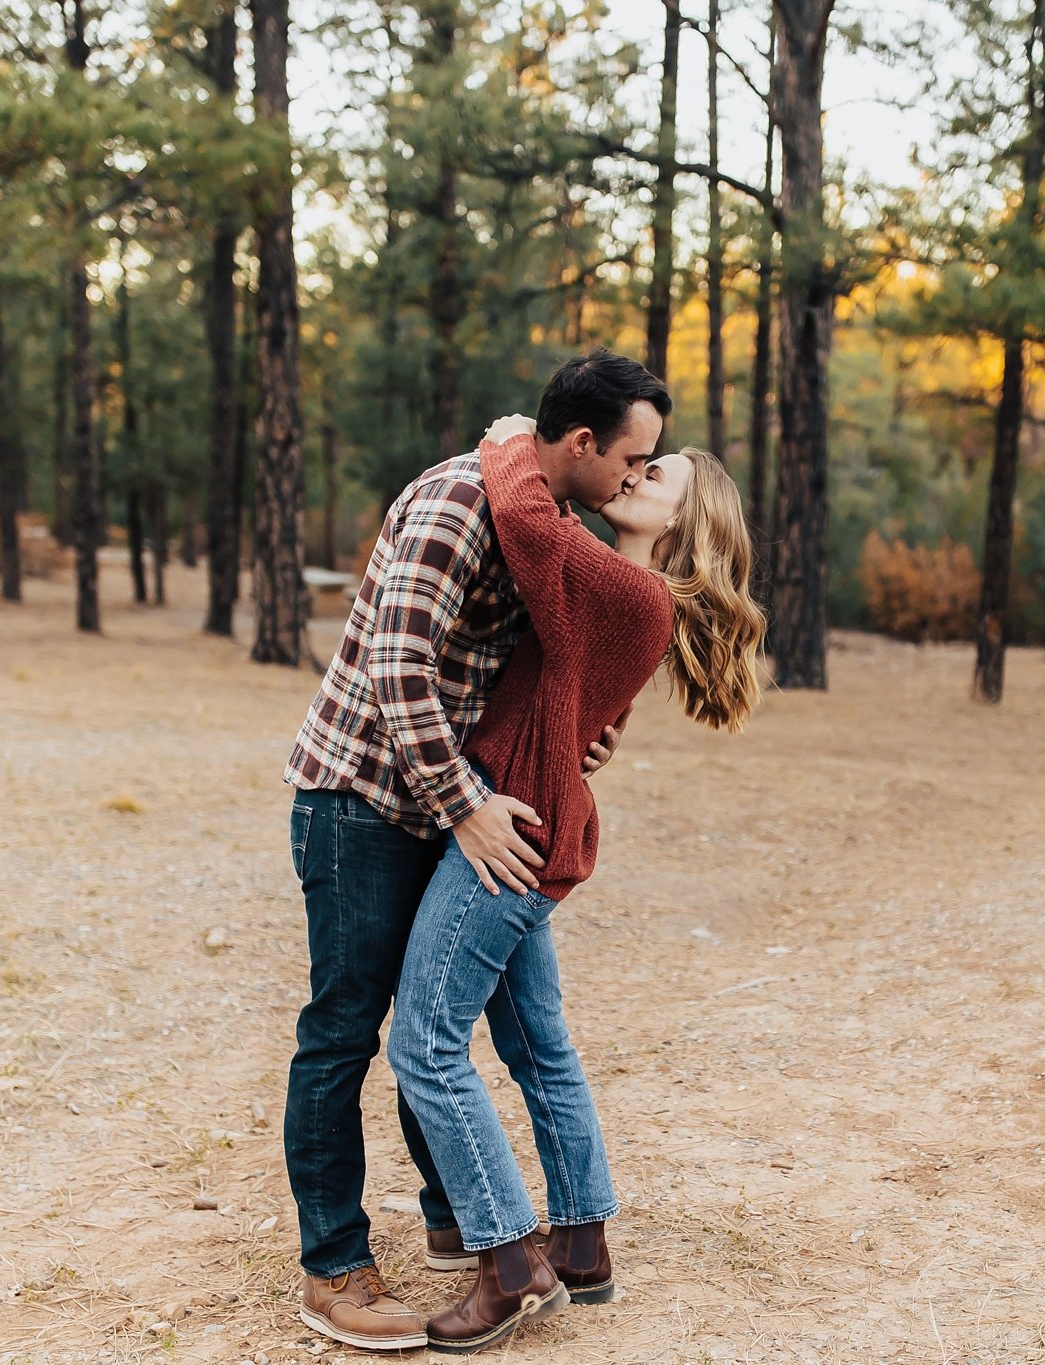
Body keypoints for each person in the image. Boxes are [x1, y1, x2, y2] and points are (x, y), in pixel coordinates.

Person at [281, 351, 671, 1352]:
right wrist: (466, 805)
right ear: (579, 444)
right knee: (344, 1030)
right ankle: (333, 1266)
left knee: (433, 1013)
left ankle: (461, 1219)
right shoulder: (462, 501)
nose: (634, 478)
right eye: (631, 459)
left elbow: (556, 676)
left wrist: (575, 738)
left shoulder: (554, 532)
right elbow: (396, 672)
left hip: (461, 806)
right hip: (367, 796)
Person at [388, 422, 764, 1354]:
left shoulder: (631, 588)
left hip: (515, 838)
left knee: (426, 1043)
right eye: (638, 460)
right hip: (545, 819)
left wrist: (512, 438)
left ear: (687, 518)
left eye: (657, 471)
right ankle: (583, 1238)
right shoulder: (625, 585)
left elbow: (524, 516)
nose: (636, 472)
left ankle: (511, 1262)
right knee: (536, 1041)